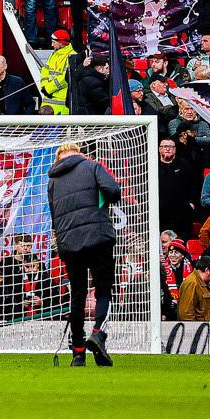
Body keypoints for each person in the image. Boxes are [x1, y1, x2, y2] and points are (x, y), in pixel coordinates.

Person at [47, 141, 121, 366]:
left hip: (69, 243)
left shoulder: (53, 180)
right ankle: (98, 333)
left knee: (77, 295)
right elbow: (114, 191)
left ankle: (78, 353)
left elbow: (54, 215)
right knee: (103, 289)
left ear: (59, 157)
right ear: (78, 153)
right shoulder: (92, 166)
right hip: (97, 236)